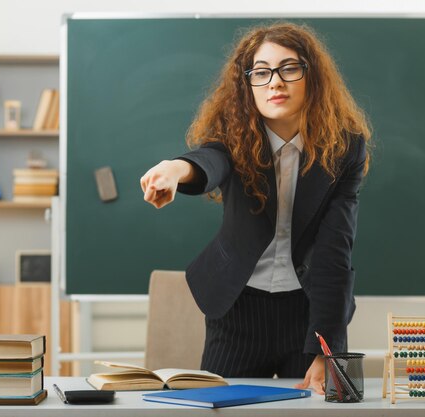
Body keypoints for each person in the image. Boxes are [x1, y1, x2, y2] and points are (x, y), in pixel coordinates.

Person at [140, 22, 371, 394]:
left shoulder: (344, 150)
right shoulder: (234, 135)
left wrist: (328, 348)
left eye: (289, 68)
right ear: (247, 84)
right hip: (237, 309)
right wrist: (173, 170)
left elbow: (334, 253)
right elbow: (209, 161)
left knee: (319, 406)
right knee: (216, 405)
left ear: (312, 76)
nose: (275, 82)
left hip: (307, 311)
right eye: (261, 72)